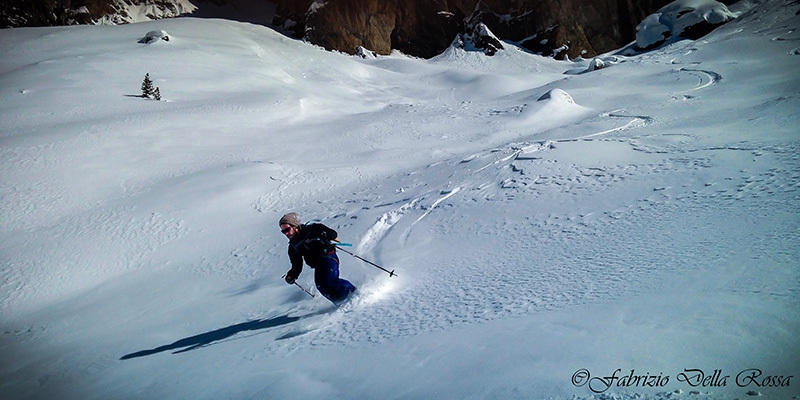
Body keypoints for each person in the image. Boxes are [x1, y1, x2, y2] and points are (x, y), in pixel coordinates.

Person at [279, 212, 356, 304]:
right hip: (318, 265)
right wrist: (292, 275)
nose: (286, 233)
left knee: (330, 281)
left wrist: (324, 234)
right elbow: (297, 265)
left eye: (287, 229)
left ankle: (354, 293)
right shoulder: (293, 247)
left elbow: (333, 234)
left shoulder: (312, 229)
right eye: (283, 231)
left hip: (328, 258)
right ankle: (341, 302)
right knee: (321, 286)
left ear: (295, 226)